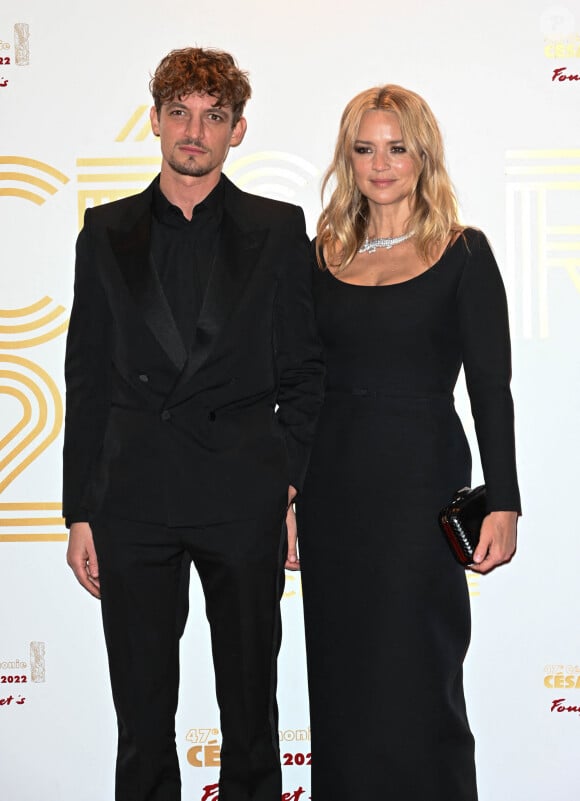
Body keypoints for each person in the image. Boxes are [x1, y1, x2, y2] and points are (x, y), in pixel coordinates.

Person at [63, 47, 324, 801]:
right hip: (133, 500)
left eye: (213, 116)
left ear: (237, 131)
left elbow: (305, 372)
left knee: (249, 710)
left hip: (240, 493)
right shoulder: (104, 231)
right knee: (141, 715)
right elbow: (86, 378)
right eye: (179, 111)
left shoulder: (277, 230)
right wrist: (81, 509)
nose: (193, 129)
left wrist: (287, 487)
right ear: (153, 121)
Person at [292, 85, 521, 800]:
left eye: (397, 147)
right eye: (365, 148)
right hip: (334, 494)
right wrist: (290, 496)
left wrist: (505, 502)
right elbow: (298, 389)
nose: (381, 163)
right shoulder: (319, 259)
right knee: (342, 679)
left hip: (421, 495)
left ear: (422, 156)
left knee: (422, 674)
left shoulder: (462, 253)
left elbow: (490, 387)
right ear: (348, 159)